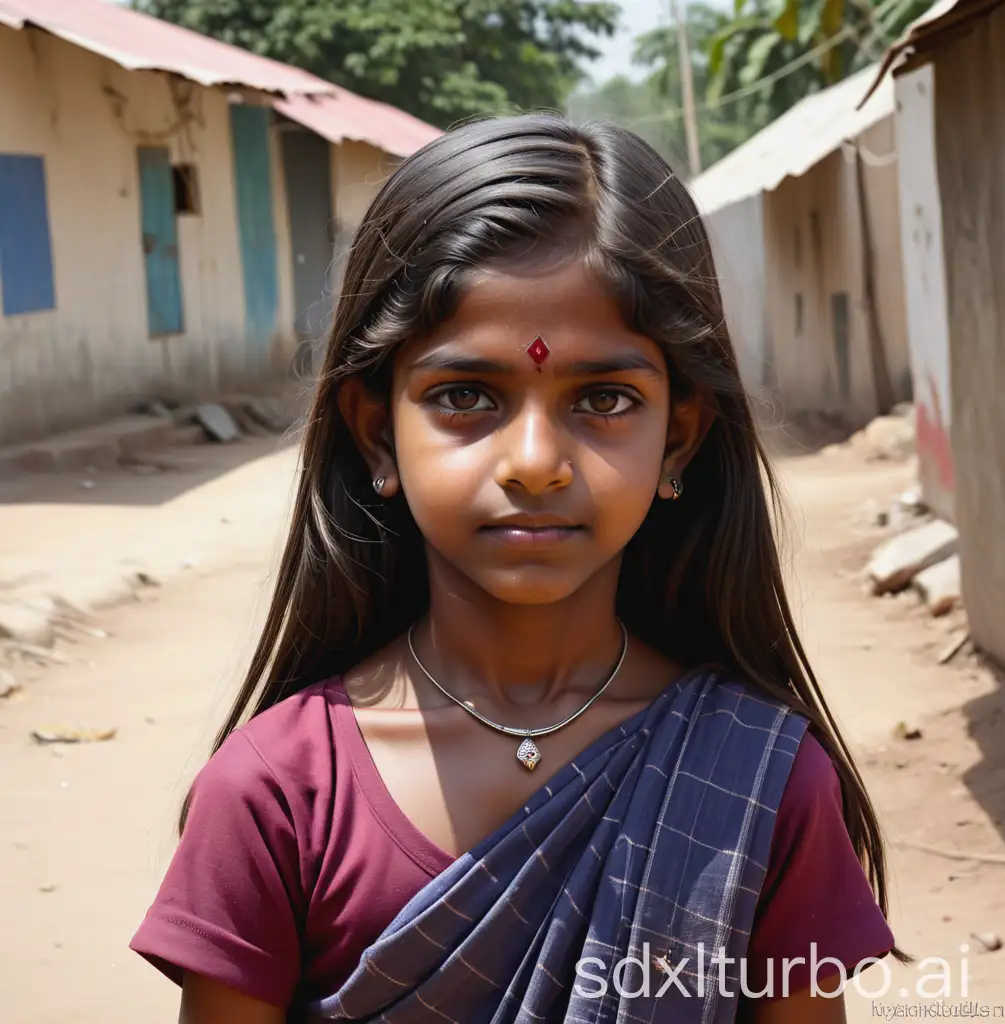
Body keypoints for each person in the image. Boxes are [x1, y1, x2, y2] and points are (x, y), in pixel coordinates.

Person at [130, 114, 898, 1024]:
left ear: (678, 438)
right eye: (465, 397)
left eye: (605, 399)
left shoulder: (759, 783)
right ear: (377, 430)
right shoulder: (278, 796)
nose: (534, 460)